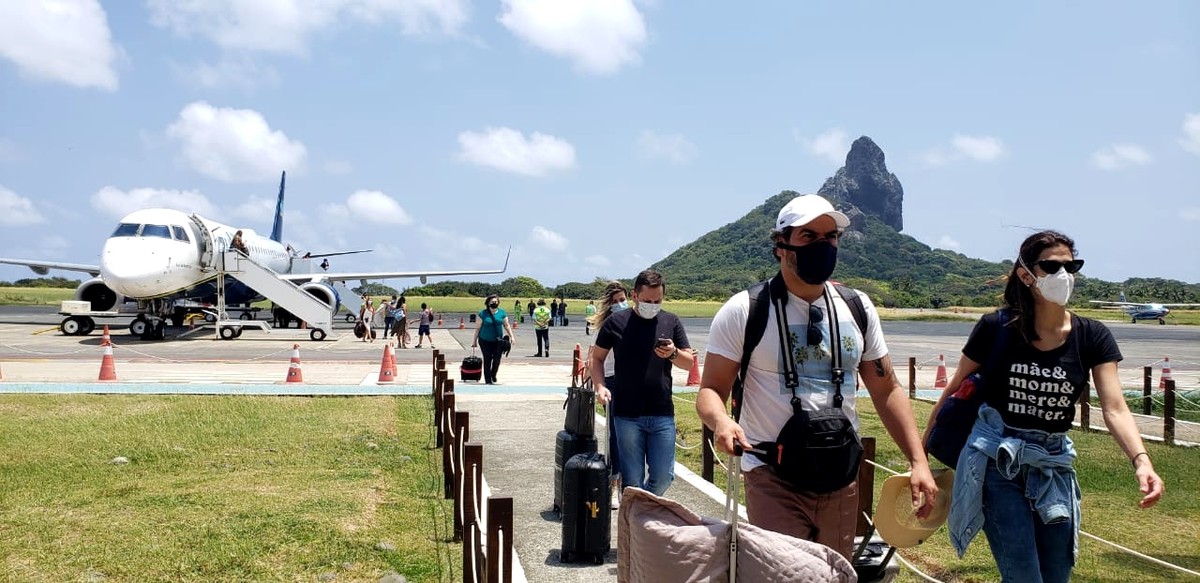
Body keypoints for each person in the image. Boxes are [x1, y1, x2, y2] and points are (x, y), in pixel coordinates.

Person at [695, 194, 937, 560]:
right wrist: (722, 421)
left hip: (840, 476)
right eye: (809, 237)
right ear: (780, 246)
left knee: (832, 572)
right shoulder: (746, 310)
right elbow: (711, 389)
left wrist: (918, 461)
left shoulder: (858, 308)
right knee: (786, 573)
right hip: (772, 473)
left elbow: (886, 388)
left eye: (831, 237)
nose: (823, 246)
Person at [927, 230, 1164, 582]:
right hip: (998, 461)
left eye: (1071, 266)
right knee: (1024, 575)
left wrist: (1141, 461)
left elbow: (1115, 408)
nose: (1063, 275)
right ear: (1026, 275)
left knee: (1057, 574)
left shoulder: (1092, 336)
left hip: (1053, 463)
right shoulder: (996, 327)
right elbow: (955, 389)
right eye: (1051, 266)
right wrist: (919, 459)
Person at [591, 269, 692, 497]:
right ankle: (635, 523)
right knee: (633, 479)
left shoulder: (671, 321)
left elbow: (689, 363)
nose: (653, 305)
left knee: (664, 476)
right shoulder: (616, 322)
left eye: (658, 301)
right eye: (647, 301)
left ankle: (639, 507)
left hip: (662, 413)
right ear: (634, 296)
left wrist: (673, 353)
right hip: (627, 415)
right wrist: (600, 385)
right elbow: (596, 359)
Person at [588, 281, 629, 507]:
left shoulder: (633, 320)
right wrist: (599, 385)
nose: (619, 305)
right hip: (611, 379)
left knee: (630, 434)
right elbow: (595, 358)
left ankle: (627, 483)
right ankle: (614, 484)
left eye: (622, 300)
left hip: (632, 381)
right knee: (614, 434)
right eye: (614, 302)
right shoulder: (605, 327)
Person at [472, 294, 514, 385]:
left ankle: (493, 374)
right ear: (488, 303)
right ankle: (488, 380)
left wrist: (511, 336)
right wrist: (474, 341)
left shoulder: (502, 313)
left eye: (496, 302)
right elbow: (477, 328)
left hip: (497, 341)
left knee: (497, 359)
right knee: (487, 359)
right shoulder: (483, 314)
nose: (494, 303)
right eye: (492, 302)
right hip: (484, 340)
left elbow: (506, 325)